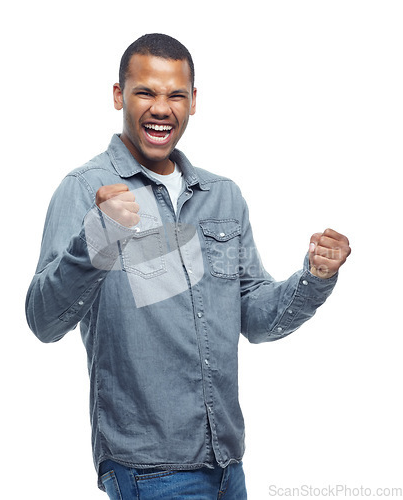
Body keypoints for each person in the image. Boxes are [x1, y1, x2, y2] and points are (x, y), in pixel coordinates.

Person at [25, 33, 351, 499]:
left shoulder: (222, 197)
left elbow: (255, 319)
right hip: (147, 471)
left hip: (227, 465)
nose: (162, 108)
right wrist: (99, 236)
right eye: (146, 92)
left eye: (176, 94)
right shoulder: (84, 188)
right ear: (119, 95)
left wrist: (315, 279)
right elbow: (43, 321)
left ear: (193, 101)